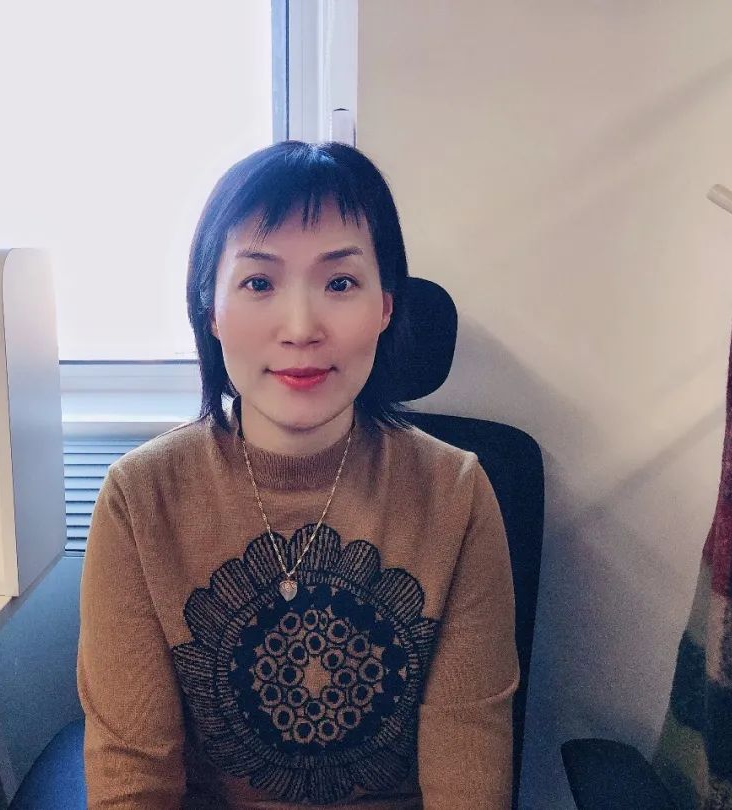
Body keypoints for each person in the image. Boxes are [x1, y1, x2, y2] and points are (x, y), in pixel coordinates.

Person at [76, 141, 519, 808]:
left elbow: (468, 772)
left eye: (340, 283)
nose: (302, 327)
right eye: (259, 283)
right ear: (211, 310)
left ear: (386, 306)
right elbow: (133, 778)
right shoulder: (140, 500)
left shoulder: (456, 494)